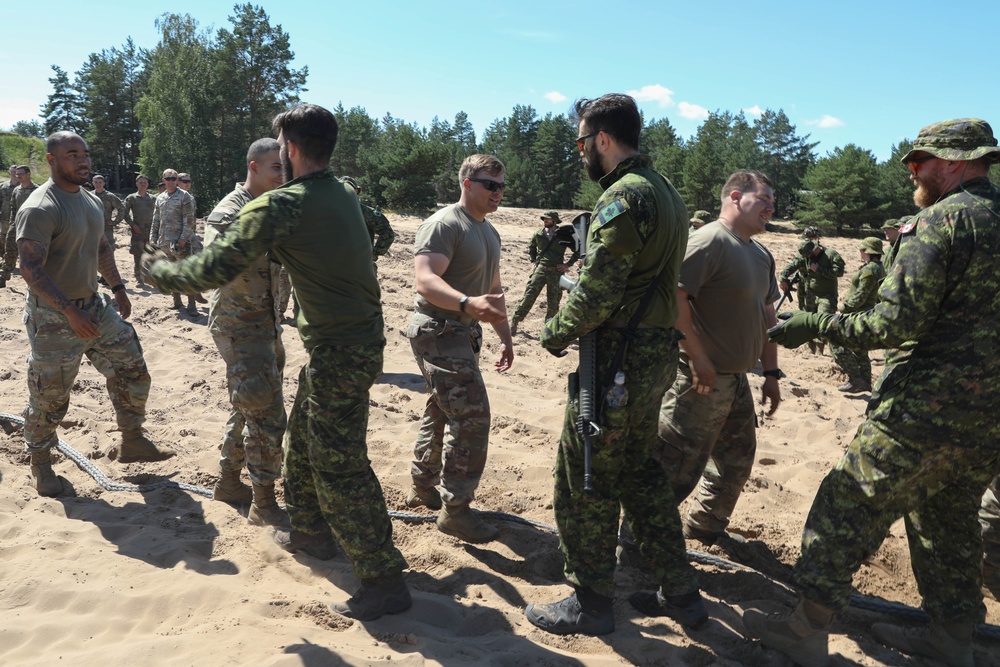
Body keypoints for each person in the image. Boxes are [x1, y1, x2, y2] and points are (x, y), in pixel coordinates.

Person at [744, 118, 1000, 666]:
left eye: (919, 163)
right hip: (990, 417)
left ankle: (804, 630)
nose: (912, 173)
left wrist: (817, 323)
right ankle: (952, 640)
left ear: (953, 163)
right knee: (948, 519)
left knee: (846, 501)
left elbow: (891, 323)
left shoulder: (942, 222)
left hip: (925, 408)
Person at [146, 103, 410, 621]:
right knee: (307, 442)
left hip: (341, 349)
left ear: (289, 150)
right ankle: (310, 532)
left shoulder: (283, 205)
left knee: (340, 463)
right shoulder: (344, 192)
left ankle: (383, 578)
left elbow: (216, 267)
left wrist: (162, 273)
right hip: (348, 343)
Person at [524, 93, 705, 636]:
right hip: (652, 356)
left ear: (602, 140)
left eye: (582, 142)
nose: (580, 152)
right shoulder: (667, 193)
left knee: (584, 477)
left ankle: (591, 601)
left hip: (617, 358)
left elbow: (598, 294)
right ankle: (683, 594)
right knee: (639, 473)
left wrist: (554, 332)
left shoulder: (624, 198)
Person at [15, 132, 174, 497]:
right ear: (52, 160)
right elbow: (30, 269)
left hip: (95, 306)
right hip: (55, 316)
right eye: (72, 155)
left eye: (85, 154)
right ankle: (41, 462)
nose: (83, 161)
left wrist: (117, 288)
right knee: (50, 396)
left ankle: (132, 438)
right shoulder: (40, 207)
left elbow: (101, 247)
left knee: (131, 366)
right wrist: (70, 312)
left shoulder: (88, 199)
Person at [656, 170, 781, 554]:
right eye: (764, 200)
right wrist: (698, 358)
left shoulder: (761, 254)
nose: (770, 209)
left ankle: (704, 528)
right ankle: (637, 542)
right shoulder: (709, 240)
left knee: (736, 461)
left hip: (736, 380)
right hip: (700, 380)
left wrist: (772, 373)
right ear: (735, 197)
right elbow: (674, 300)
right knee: (676, 469)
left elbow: (767, 318)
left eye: (772, 204)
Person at [402, 154, 514, 544]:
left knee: (443, 406)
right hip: (439, 328)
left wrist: (505, 336)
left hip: (462, 332)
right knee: (472, 416)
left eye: (502, 186)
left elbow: (495, 292)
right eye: (491, 185)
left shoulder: (489, 232)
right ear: (467, 183)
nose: (498, 193)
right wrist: (467, 303)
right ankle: (456, 510)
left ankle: (424, 483)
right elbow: (425, 280)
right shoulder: (445, 224)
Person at [203, 137, 288, 528]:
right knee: (267, 414)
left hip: (267, 325)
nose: (282, 175)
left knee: (249, 407)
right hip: (240, 326)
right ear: (253, 167)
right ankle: (264, 503)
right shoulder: (229, 212)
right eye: (276, 168)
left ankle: (227, 482)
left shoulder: (272, 207)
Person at [829, 237, 886, 393]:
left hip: (857, 314)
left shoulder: (870, 270)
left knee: (836, 343)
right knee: (860, 349)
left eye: (862, 250)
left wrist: (844, 309)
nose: (860, 252)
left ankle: (856, 378)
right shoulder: (878, 267)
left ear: (868, 251)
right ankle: (865, 382)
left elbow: (861, 295)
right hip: (867, 313)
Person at [510, 211, 579, 336]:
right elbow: (532, 249)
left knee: (553, 302)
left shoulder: (563, 235)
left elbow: (577, 251)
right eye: (544, 219)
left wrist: (567, 264)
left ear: (554, 221)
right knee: (529, 296)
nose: (545, 221)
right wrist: (533, 262)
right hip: (541, 269)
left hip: (556, 272)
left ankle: (549, 329)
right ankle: (515, 320)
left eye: (547, 219)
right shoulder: (538, 234)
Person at [779, 236, 844, 354]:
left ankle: (820, 351)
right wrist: (783, 278)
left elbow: (839, 272)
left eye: (809, 255)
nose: (807, 258)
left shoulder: (831, 255)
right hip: (811, 295)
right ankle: (811, 350)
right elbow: (792, 266)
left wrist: (819, 270)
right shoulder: (805, 257)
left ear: (814, 249)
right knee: (809, 323)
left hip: (827, 295)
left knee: (823, 322)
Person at [150, 168, 201, 315]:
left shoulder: (185, 197)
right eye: (168, 178)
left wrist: (183, 239)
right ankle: (177, 301)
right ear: (163, 180)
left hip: (180, 243)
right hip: (164, 242)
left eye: (174, 178)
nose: (171, 181)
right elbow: (156, 219)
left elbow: (189, 220)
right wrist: (153, 239)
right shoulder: (160, 198)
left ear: (177, 180)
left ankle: (192, 305)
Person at [340, 176, 395, 267]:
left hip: (360, 266)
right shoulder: (330, 210)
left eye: (350, 189)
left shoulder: (367, 213)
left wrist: (373, 254)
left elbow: (387, 233)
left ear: (356, 191)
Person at [2, 165, 39, 287]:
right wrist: (13, 221)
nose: (18, 176)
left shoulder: (37, 190)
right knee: (10, 249)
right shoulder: (16, 190)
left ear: (28, 174)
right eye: (17, 174)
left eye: (21, 173)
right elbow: (13, 207)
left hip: (32, 226)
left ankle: (35, 280)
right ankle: (4, 274)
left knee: (31, 253)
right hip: (16, 224)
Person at [123, 175, 155, 284]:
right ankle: (139, 277)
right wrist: (133, 225)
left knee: (151, 254)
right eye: (140, 182)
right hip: (138, 230)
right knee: (138, 254)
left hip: (150, 230)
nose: (143, 184)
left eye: (145, 182)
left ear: (148, 184)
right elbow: (124, 214)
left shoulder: (153, 198)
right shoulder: (131, 198)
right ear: (136, 183)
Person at [92, 174, 124, 252]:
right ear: (92, 183)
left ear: (104, 183)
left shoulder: (110, 196)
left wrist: (115, 221)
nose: (98, 184)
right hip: (92, 229)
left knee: (108, 251)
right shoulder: (89, 196)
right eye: (96, 182)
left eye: (100, 182)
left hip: (106, 229)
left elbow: (121, 208)